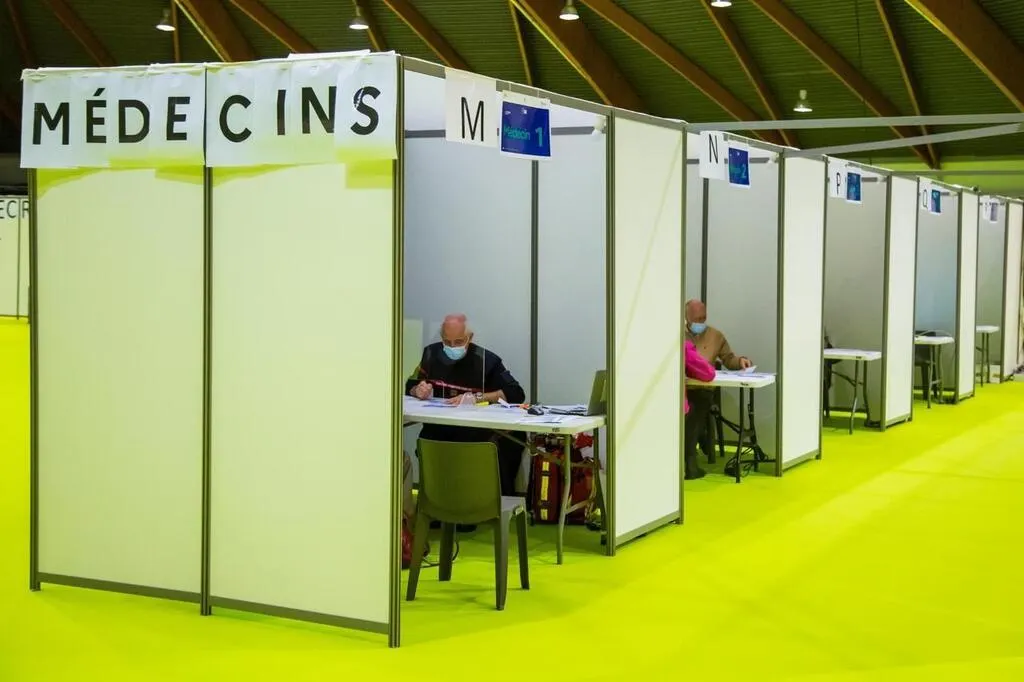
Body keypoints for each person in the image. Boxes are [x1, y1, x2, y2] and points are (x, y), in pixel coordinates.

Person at [406, 313, 527, 496]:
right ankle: (435, 501)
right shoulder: (430, 354)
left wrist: (478, 398)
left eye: (458, 342)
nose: (452, 347)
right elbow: (410, 385)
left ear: (469, 338)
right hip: (439, 432)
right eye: (447, 342)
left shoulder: (487, 361)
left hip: (475, 434)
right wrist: (418, 390)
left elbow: (515, 393)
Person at [684, 299, 752, 479]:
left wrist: (740, 361)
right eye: (696, 319)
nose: (700, 322)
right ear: (686, 317)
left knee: (695, 410)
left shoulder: (715, 336)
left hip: (703, 389)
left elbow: (728, 359)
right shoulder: (677, 335)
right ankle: (700, 442)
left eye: (703, 318)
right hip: (681, 389)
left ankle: (690, 460)